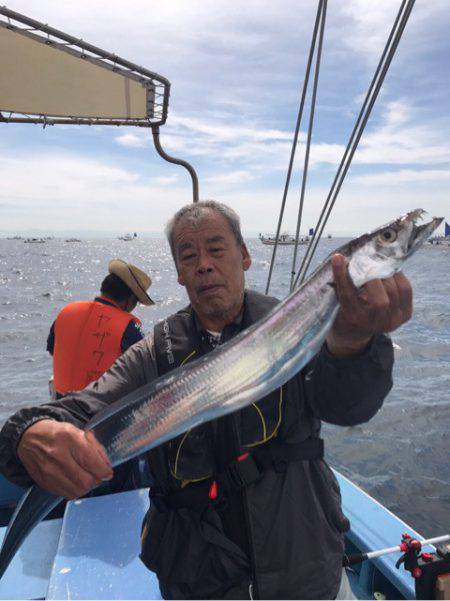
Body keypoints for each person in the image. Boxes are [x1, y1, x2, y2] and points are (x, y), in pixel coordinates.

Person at [0, 201, 413, 599]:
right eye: (188, 255)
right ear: (179, 273)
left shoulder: (292, 323)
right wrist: (26, 433)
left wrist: (356, 345)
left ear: (245, 255)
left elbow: (349, 407)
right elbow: (79, 409)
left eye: (216, 249)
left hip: (308, 572)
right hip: (201, 583)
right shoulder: (153, 353)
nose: (204, 264)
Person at [47, 259, 153, 398]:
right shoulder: (128, 326)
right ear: (130, 300)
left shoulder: (67, 311)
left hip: (60, 401)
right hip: (97, 407)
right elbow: (145, 370)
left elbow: (51, 349)